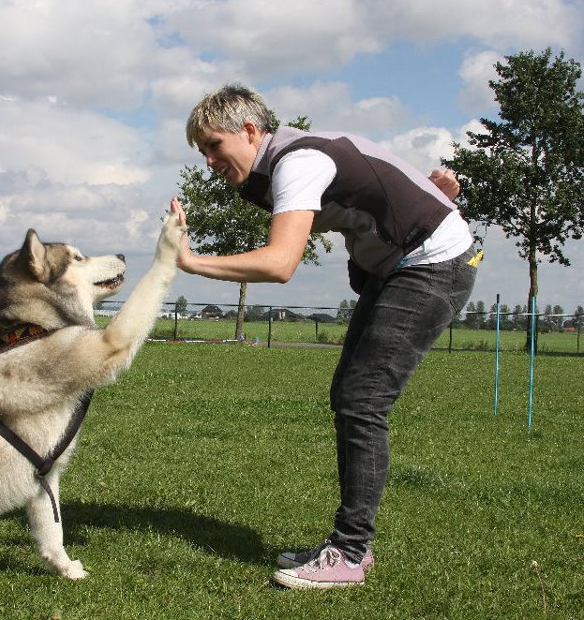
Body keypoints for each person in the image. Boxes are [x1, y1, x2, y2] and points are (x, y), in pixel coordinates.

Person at [170, 83, 479, 589]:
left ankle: (351, 552)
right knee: (350, 397)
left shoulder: (297, 162)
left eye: (212, 146)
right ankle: (347, 545)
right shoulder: (284, 163)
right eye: (201, 151)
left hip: (432, 264)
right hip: (403, 265)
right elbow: (371, 178)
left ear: (249, 130)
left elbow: (280, 262)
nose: (208, 161)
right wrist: (423, 193)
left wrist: (189, 261)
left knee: (362, 400)